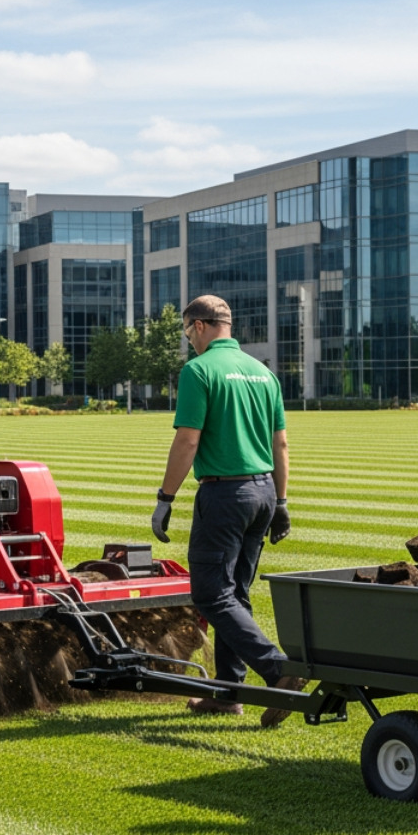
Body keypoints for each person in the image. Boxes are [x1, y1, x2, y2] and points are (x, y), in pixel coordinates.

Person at [151, 295, 303, 727]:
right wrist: (283, 501)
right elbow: (281, 445)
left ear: (198, 326)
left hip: (225, 495)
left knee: (211, 594)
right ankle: (227, 693)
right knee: (235, 594)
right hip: (264, 493)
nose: (188, 342)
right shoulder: (263, 374)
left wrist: (165, 499)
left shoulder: (199, 371)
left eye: (186, 333)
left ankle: (278, 671)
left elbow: (188, 441)